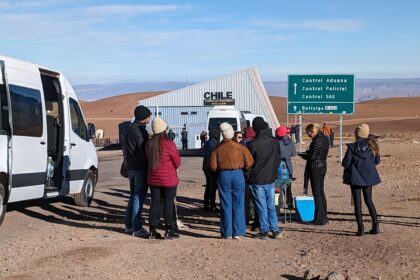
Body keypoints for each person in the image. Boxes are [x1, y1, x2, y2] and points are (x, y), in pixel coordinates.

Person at [210, 123, 254, 239]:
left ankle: (227, 232)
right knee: (239, 203)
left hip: (223, 175)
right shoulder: (241, 147)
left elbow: (213, 167)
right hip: (238, 174)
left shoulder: (217, 149)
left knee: (225, 203)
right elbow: (249, 162)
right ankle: (238, 231)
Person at [342, 124, 381, 236]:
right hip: (368, 177)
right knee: (369, 201)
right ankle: (376, 226)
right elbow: (377, 161)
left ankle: (361, 229)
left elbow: (345, 163)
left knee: (357, 204)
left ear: (357, 134)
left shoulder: (352, 147)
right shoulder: (373, 145)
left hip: (355, 178)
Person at [146, 117, 181, 239]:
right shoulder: (169, 143)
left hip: (153, 179)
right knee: (168, 203)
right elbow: (177, 161)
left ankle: (151, 230)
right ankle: (169, 229)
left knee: (154, 203)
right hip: (168, 180)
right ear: (164, 129)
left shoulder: (149, 144)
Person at [247, 117, 282, 240]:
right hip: (270, 178)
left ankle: (264, 230)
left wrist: (248, 178)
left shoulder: (252, 144)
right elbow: (278, 159)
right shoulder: (274, 142)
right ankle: (276, 229)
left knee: (261, 206)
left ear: (255, 128)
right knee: (270, 205)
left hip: (257, 179)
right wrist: (273, 173)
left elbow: (248, 164)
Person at [122, 105, 151, 237]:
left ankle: (128, 225)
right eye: (148, 116)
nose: (150, 118)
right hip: (140, 168)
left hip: (130, 167)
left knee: (133, 196)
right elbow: (143, 150)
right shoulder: (140, 131)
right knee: (138, 197)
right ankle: (137, 227)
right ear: (144, 117)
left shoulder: (127, 129)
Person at [300, 123, 330, 225]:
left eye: (309, 134)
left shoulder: (316, 140)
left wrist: (302, 154)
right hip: (322, 166)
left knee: (317, 193)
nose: (309, 136)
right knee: (321, 192)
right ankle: (324, 216)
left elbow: (312, 156)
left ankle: (319, 219)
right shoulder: (325, 138)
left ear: (312, 131)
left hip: (315, 167)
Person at [275, 126, 297, 209]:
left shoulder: (276, 142)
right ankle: (290, 203)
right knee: (288, 186)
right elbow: (293, 153)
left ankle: (279, 204)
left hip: (278, 166)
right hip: (288, 166)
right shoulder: (290, 142)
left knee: (278, 186)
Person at [202, 128, 220, 212]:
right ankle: (212, 205)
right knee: (212, 187)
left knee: (208, 186)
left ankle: (206, 204)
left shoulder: (206, 143)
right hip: (212, 168)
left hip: (206, 167)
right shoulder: (215, 144)